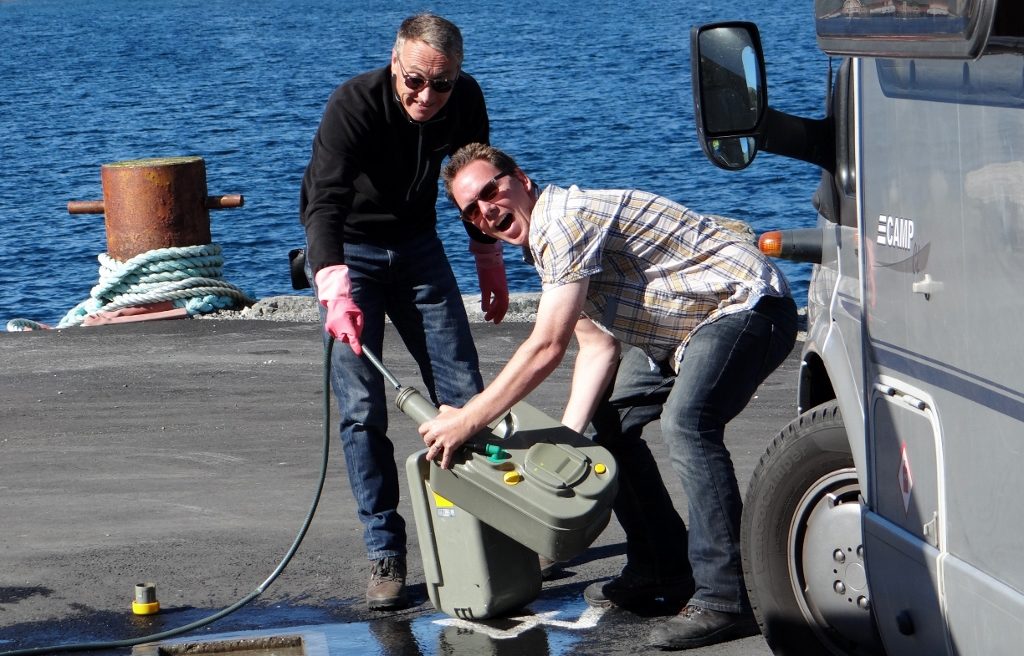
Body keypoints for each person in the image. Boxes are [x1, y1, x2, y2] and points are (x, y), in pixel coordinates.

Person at [419, 143, 797, 650]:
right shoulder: (546, 241)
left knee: (688, 423)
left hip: (745, 306)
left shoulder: (563, 221)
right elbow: (596, 347)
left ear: (521, 180)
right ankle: (663, 567)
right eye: (471, 210)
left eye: (491, 191)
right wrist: (567, 444)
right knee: (606, 428)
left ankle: (728, 599)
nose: (486, 211)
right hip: (680, 333)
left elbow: (546, 347)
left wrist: (468, 419)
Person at [299, 15, 509, 611]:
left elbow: (478, 185)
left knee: (465, 395)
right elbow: (323, 203)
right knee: (363, 408)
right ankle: (385, 552)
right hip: (351, 252)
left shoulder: (464, 99)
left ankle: (486, 534)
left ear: (457, 76)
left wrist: (488, 261)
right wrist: (334, 286)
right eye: (415, 80)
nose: (426, 96)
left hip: (418, 247)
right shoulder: (354, 104)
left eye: (441, 84)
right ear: (396, 63)